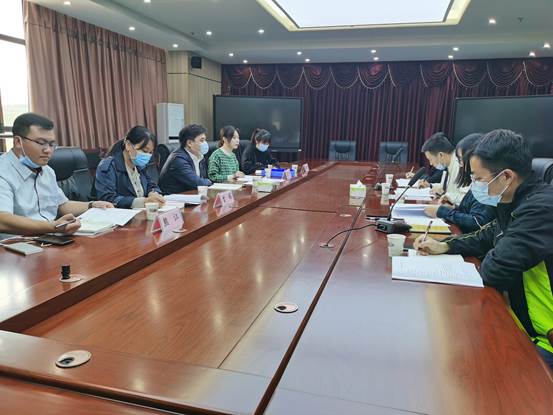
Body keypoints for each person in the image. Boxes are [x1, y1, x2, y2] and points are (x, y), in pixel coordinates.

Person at [414, 129, 553, 369]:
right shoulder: (515, 200)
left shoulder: (541, 209)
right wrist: (445, 245)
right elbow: (489, 234)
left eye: (478, 179)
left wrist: (490, 251)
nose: (474, 185)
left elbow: (494, 269)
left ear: (506, 176)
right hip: (524, 322)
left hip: (545, 338)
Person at [0, 113, 112, 236]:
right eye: (41, 143)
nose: (48, 150)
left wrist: (92, 205)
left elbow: (61, 205)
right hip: (16, 243)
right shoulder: (3, 171)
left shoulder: (47, 171)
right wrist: (52, 227)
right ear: (18, 142)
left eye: (51, 144)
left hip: (50, 238)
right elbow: (2, 220)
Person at [423, 133, 496, 233]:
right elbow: (469, 209)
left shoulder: (487, 185)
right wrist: (454, 209)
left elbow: (477, 222)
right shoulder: (477, 182)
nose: (460, 165)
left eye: (461, 159)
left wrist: (443, 212)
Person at [95, 126, 164, 208]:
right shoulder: (109, 166)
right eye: (144, 151)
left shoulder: (140, 165)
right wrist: (143, 202)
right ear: (128, 145)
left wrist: (153, 193)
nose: (147, 156)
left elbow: (151, 185)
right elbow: (107, 199)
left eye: (150, 152)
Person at [158, 124, 212, 194]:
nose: (205, 143)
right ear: (189, 143)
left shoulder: (200, 156)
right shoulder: (178, 159)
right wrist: (209, 181)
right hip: (173, 198)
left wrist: (207, 181)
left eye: (205, 140)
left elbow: (203, 180)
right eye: (202, 140)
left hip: (192, 195)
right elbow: (197, 182)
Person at [419, 132, 466, 204]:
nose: (431, 163)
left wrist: (446, 195)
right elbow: (447, 187)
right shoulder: (449, 163)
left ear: (441, 155)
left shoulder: (459, 165)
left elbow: (465, 198)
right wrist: (430, 185)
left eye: (430, 159)